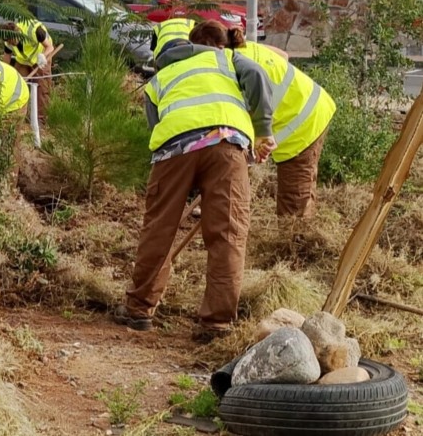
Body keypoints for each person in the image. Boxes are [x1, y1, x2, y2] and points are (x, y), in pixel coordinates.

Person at [113, 27, 276, 343]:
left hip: (174, 149)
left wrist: (186, 174)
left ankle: (139, 310)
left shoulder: (158, 79)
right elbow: (256, 73)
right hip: (227, 144)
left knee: (159, 228)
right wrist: (262, 131)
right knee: (227, 233)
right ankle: (215, 324)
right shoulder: (226, 58)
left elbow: (155, 128)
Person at [189, 20, 335, 219]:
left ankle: (295, 245)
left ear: (217, 48)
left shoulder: (233, 68)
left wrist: (259, 141)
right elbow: (283, 55)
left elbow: (244, 115)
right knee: (299, 192)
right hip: (314, 103)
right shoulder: (244, 49)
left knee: (293, 203)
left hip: (304, 122)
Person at [0, 18, 56, 118]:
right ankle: (18, 117)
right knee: (17, 84)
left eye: (11, 41)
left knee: (42, 88)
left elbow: (50, 47)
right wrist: (5, 73)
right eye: (7, 41)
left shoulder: (34, 30)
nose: (10, 44)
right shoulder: (7, 40)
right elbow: (7, 58)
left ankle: (41, 120)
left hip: (42, 57)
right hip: (23, 60)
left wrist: (43, 56)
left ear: (17, 33)